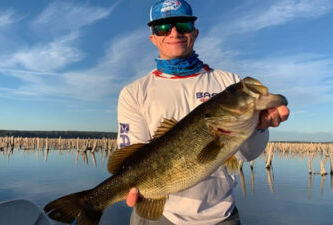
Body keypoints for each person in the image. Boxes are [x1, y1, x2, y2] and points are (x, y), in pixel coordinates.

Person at [116, 0, 290, 225]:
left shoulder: (228, 82)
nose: (174, 32)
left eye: (183, 25)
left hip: (220, 215)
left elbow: (249, 154)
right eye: (163, 28)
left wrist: (260, 126)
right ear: (153, 37)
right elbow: (130, 157)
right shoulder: (134, 92)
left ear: (195, 32)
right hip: (158, 216)